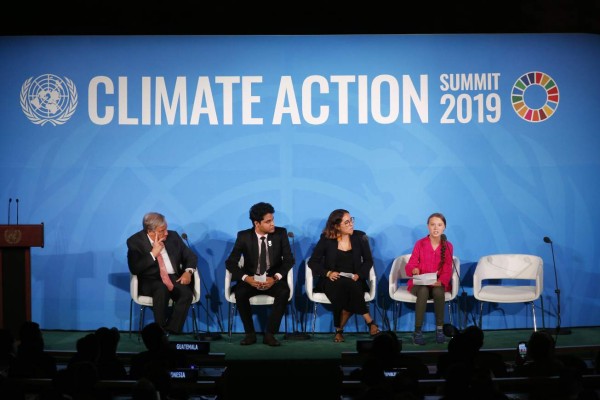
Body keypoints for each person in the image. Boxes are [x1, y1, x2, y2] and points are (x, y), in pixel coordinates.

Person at [225, 202, 294, 346]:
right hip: (251, 279)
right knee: (240, 293)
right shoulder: (243, 236)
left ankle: (270, 334)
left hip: (272, 279)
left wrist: (274, 278)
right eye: (268, 221)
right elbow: (231, 262)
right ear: (257, 223)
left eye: (273, 220)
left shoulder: (280, 234)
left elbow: (289, 260)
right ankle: (250, 334)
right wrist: (246, 278)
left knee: (283, 292)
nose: (273, 224)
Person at [307, 208, 380, 343]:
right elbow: (313, 262)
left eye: (351, 220)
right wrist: (328, 273)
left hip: (354, 278)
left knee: (350, 286)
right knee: (344, 286)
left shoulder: (360, 237)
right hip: (332, 279)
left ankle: (339, 330)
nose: (351, 224)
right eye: (346, 222)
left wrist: (359, 274)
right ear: (336, 226)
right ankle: (370, 321)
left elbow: (368, 260)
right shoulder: (326, 239)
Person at [127, 212, 198, 335]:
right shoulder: (135, 241)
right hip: (150, 280)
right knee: (161, 289)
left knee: (186, 294)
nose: (166, 233)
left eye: (166, 228)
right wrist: (153, 254)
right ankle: (160, 330)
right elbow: (135, 268)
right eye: (162, 230)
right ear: (150, 232)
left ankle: (172, 329)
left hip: (172, 277)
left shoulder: (173, 236)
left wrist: (188, 272)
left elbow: (190, 256)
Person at [405, 212, 454, 345]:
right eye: (432, 225)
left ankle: (439, 329)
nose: (435, 228)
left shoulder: (448, 246)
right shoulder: (420, 244)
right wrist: (413, 270)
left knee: (438, 292)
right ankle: (417, 331)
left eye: (439, 225)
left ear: (444, 227)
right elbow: (411, 263)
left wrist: (442, 281)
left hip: (436, 283)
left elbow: (448, 267)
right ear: (428, 227)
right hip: (420, 283)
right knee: (423, 291)